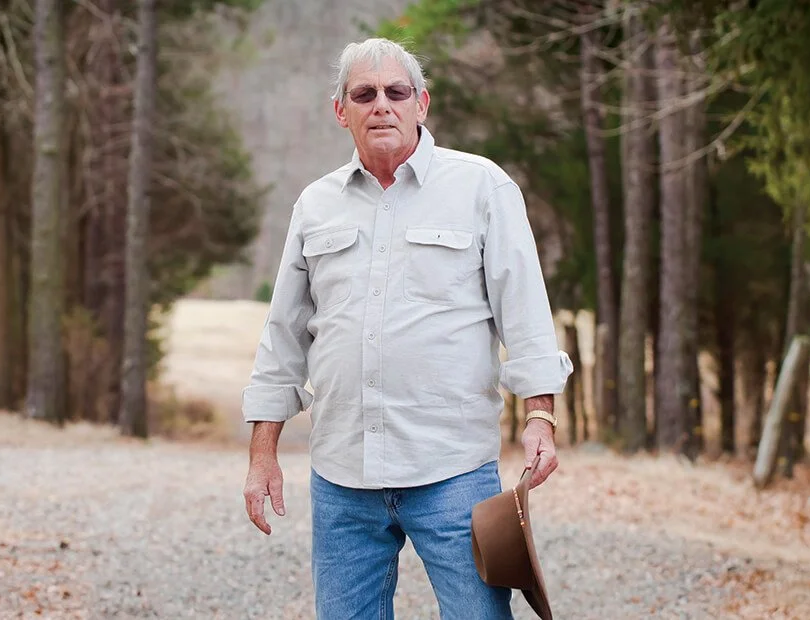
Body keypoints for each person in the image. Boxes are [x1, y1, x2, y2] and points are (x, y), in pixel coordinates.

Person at [241, 37, 573, 620]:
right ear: (340, 110)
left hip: (452, 470)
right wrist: (262, 453)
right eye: (364, 94)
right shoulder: (315, 205)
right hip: (342, 475)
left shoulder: (482, 187)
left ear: (422, 103)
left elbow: (525, 314)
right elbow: (283, 338)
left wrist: (540, 417)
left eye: (397, 92)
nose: (382, 106)